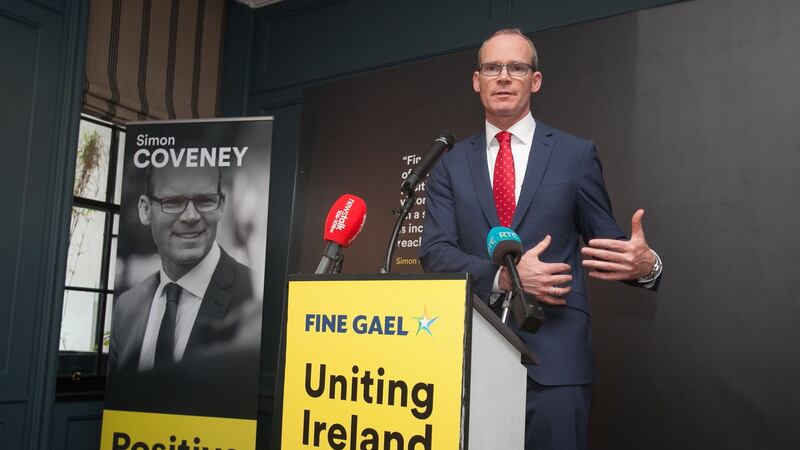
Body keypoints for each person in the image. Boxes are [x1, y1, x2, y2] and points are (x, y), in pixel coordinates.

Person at [419, 28, 662, 450]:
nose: (504, 77)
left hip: (558, 365)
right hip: (472, 361)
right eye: (492, 67)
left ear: (535, 80)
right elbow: (435, 254)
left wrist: (645, 265)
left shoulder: (575, 154)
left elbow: (611, 246)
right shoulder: (449, 165)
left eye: (516, 67)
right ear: (477, 81)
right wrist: (505, 278)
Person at [106, 164, 260, 418]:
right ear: (145, 210)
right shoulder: (127, 308)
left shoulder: (255, 302)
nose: (190, 216)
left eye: (204, 200)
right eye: (173, 201)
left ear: (221, 206)